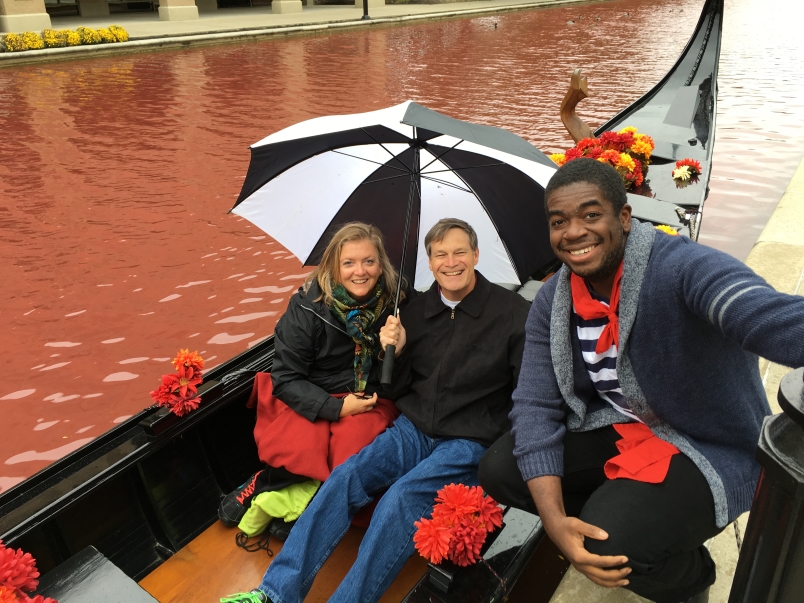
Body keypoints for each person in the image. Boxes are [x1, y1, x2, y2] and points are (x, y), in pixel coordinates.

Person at [479, 157, 804, 603]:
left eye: (591, 215)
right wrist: (555, 522)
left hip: (709, 440)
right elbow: (535, 404)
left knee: (610, 543)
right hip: (626, 425)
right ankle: (642, 525)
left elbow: (755, 311)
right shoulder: (554, 301)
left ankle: (687, 578)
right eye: (559, 221)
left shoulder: (678, 267)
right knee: (501, 468)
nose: (573, 232)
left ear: (625, 218)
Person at [223, 218, 530, 603]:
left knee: (400, 499)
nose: (451, 263)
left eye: (459, 253)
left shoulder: (515, 314)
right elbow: (397, 388)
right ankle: (274, 593)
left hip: (469, 439)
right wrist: (398, 352)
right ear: (430, 263)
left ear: (475, 255)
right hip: (414, 428)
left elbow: (528, 394)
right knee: (346, 477)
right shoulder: (415, 313)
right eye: (440, 255)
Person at [218, 222, 406, 535]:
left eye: (369, 261)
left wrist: (394, 352)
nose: (360, 272)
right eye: (349, 262)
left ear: (381, 263)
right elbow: (287, 379)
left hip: (370, 396)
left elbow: (401, 381)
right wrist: (337, 409)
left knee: (354, 459)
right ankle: (266, 481)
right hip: (314, 391)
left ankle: (308, 502)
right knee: (299, 445)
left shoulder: (398, 300)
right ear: (334, 265)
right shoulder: (306, 308)